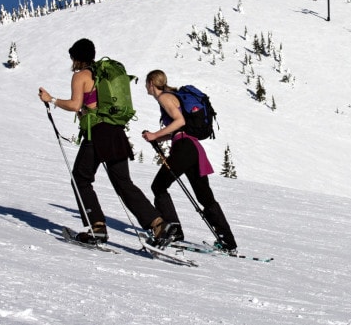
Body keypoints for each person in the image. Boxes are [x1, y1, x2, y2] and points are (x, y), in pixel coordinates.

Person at [38, 38, 173, 245]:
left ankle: (97, 228)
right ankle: (158, 225)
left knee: (80, 178)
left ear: (76, 57)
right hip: (116, 133)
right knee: (123, 182)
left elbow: (75, 105)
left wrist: (52, 100)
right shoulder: (103, 75)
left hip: (97, 134)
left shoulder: (80, 76)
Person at [141, 70, 238, 253]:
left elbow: (179, 121)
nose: (146, 87)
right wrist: (157, 138)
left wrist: (155, 134)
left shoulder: (164, 97)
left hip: (184, 148)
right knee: (205, 197)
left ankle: (173, 231)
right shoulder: (172, 96)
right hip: (193, 148)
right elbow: (180, 128)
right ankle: (228, 242)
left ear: (152, 83)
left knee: (159, 186)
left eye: (146, 83)